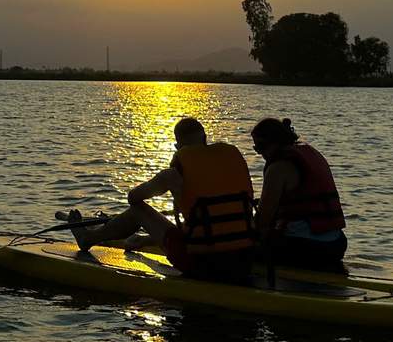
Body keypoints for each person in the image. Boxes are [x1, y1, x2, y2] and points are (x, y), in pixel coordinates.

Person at [68, 116, 256, 282]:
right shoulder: (230, 159)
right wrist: (148, 240)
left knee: (137, 211)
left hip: (202, 264)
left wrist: (166, 184)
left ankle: (89, 238)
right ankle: (127, 237)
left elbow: (133, 198)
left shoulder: (173, 174)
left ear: (177, 146)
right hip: (244, 260)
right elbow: (210, 224)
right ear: (205, 139)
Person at [250, 117, 347, 271]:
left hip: (307, 247)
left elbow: (263, 218)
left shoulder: (278, 168)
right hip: (337, 242)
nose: (260, 153)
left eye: (260, 147)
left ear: (273, 143)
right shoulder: (310, 153)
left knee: (243, 252)